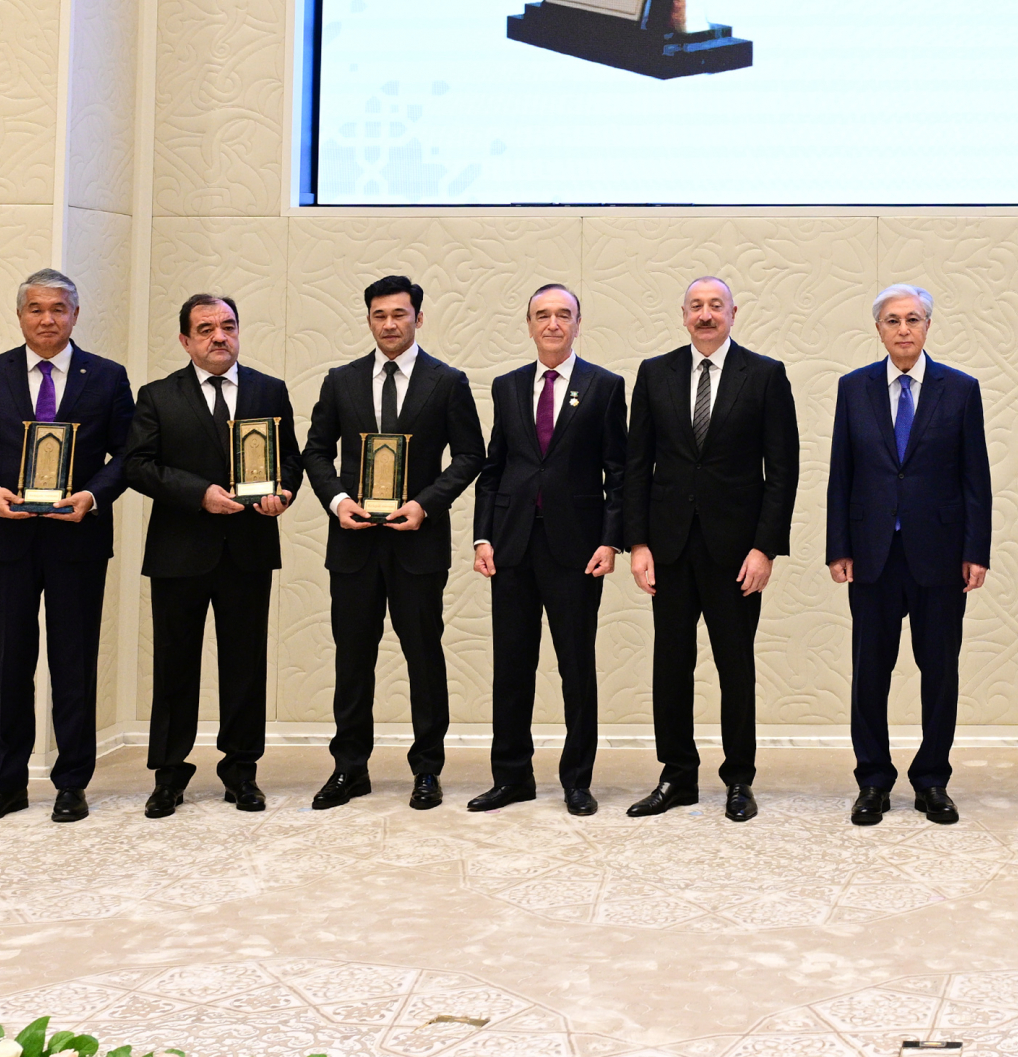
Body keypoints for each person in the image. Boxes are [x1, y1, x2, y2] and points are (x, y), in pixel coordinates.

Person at [0, 269, 134, 825]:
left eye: (58, 309)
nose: (47, 319)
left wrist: (93, 496)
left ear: (75, 315)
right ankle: (8, 785)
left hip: (77, 539)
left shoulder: (108, 376)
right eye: (36, 309)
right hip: (3, 541)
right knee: (11, 665)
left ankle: (72, 784)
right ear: (20, 315)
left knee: (74, 664)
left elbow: (128, 454)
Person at [301, 275, 485, 812]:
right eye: (379, 315)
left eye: (399, 314)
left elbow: (471, 455)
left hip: (417, 542)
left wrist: (426, 503)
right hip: (353, 543)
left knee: (424, 657)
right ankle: (349, 768)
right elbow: (316, 451)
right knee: (352, 659)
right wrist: (338, 501)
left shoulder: (447, 382)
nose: (389, 324)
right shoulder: (341, 381)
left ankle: (427, 769)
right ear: (369, 320)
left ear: (418, 318)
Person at [624, 277, 800, 822]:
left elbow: (783, 471)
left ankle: (739, 779)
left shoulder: (765, 375)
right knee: (671, 666)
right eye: (696, 306)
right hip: (669, 547)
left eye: (715, 306)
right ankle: (677, 775)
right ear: (683, 315)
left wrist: (765, 548)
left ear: (733, 313)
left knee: (735, 667)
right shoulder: (655, 373)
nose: (706, 315)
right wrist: (638, 542)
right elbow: (637, 465)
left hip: (736, 553)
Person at [124, 294, 302, 817]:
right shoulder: (158, 396)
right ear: (185, 340)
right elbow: (137, 466)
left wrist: (284, 492)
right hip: (179, 550)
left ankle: (241, 771)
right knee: (174, 665)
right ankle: (168, 775)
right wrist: (199, 493)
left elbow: (289, 460)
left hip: (248, 549)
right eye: (205, 329)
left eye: (228, 326)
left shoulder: (270, 390)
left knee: (245, 664)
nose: (219, 336)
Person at [825, 284, 992, 825]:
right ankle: (873, 780)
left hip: (940, 555)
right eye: (893, 320)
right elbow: (841, 473)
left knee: (939, 672)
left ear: (927, 327)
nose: (903, 329)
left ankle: (932, 780)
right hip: (871, 553)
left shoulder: (960, 389)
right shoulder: (854, 388)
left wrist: (976, 550)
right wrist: (838, 546)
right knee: (869, 672)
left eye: (913, 319)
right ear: (878, 329)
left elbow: (976, 478)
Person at [468, 283, 627, 816]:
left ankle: (577, 780)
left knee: (575, 668)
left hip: (577, 548)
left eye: (563, 315)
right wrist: (483, 536)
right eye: (543, 315)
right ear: (530, 325)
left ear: (578, 324)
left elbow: (618, 473)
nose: (553, 324)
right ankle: (512, 777)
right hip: (511, 545)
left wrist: (610, 539)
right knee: (511, 667)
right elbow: (494, 468)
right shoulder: (508, 386)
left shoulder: (604, 386)